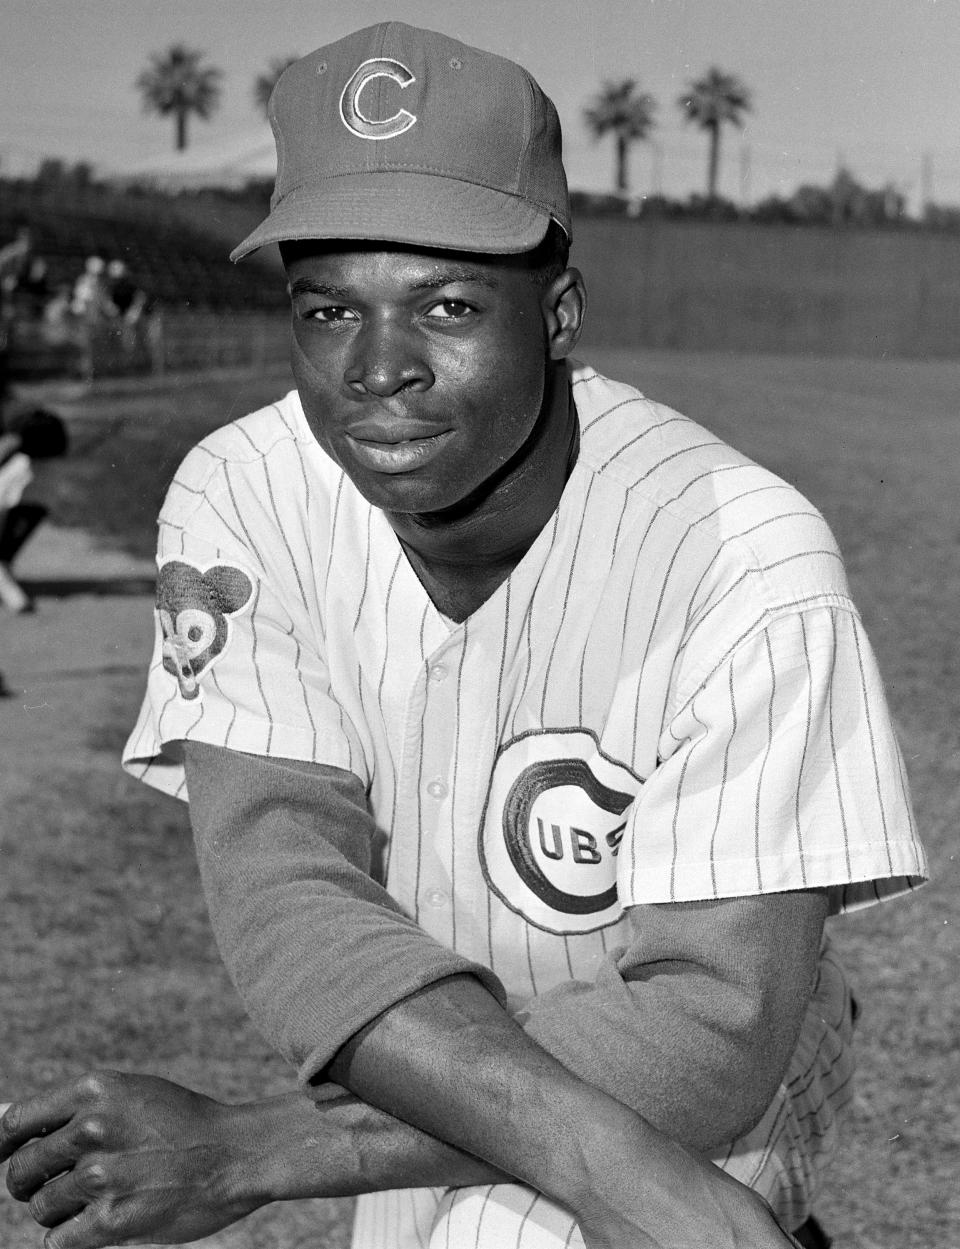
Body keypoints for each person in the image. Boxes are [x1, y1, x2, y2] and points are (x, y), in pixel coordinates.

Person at [0, 22, 926, 1249]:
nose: (378, 369)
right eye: (329, 309)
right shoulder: (245, 493)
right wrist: (595, 1159)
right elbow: (292, 890)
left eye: (445, 304)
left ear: (558, 313)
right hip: (418, 1034)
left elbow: (718, 1022)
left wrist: (266, 1149)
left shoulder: (742, 552)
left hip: (695, 1063)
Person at [0, 407, 69, 613]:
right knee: (6, 549)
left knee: (4, 552)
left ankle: (8, 587)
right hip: (36, 498)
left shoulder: (21, 460)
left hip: (21, 496)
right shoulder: (48, 463)